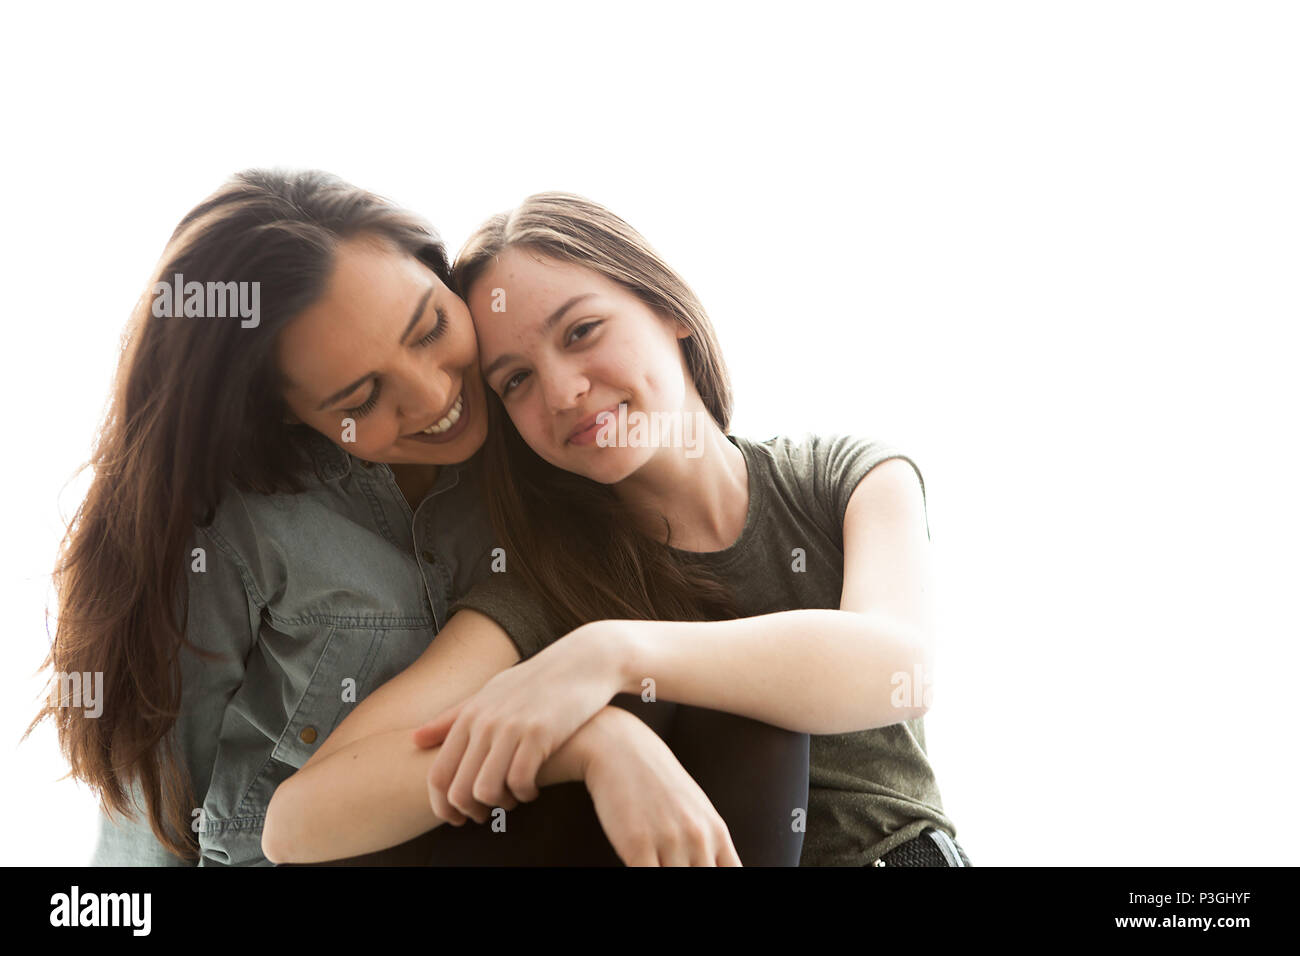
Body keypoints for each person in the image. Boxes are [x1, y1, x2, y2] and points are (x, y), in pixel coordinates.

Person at [29, 169, 804, 867]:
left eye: (431, 328)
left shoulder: (540, 437)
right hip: (317, 848)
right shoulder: (234, 536)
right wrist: (595, 740)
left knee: (738, 704)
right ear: (289, 417)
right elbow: (153, 823)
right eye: (361, 399)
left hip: (500, 837)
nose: (435, 397)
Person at [264, 193, 971, 867]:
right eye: (515, 381)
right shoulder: (548, 585)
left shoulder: (842, 479)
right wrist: (594, 741)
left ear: (668, 309)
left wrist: (612, 654)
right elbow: (297, 819)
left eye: (581, 332)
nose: (565, 390)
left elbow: (900, 671)